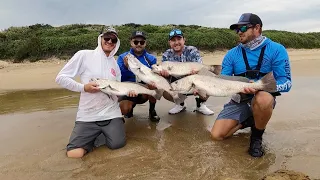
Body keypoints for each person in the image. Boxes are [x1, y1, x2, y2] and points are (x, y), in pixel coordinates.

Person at [210, 13, 292, 157]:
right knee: (217, 135)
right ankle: (249, 121)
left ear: (257, 28)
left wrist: (259, 87)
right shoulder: (231, 54)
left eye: (242, 28)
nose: (239, 33)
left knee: (263, 99)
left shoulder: (277, 49)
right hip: (239, 98)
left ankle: (256, 137)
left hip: (263, 97)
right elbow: (222, 81)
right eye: (237, 30)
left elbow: (286, 83)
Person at [55, 27, 130, 158]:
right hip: (88, 115)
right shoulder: (84, 55)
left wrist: (129, 92)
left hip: (111, 113)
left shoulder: (115, 64)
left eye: (113, 39)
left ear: (116, 43)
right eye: (107, 38)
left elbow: (116, 90)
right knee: (74, 154)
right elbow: (61, 78)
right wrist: (84, 88)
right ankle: (94, 136)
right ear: (100, 38)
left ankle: (110, 129)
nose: (110, 41)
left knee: (117, 145)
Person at [159, 29, 214, 116]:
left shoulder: (192, 50)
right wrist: (165, 75)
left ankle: (201, 104)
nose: (176, 42)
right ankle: (180, 104)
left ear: (184, 40)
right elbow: (167, 77)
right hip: (178, 85)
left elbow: (200, 69)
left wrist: (196, 74)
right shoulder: (166, 54)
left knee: (209, 83)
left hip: (194, 82)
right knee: (165, 92)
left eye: (179, 39)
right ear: (169, 42)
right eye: (173, 40)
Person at [117, 30, 160, 122]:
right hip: (127, 90)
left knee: (154, 85)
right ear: (131, 42)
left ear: (145, 43)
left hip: (143, 92)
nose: (139, 44)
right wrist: (125, 67)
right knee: (124, 109)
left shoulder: (151, 58)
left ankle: (152, 110)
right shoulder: (122, 57)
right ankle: (129, 109)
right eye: (136, 42)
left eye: (142, 42)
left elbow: (154, 76)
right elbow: (118, 78)